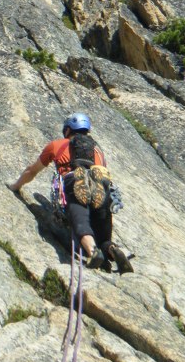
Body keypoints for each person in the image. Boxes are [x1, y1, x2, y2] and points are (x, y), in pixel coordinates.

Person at [8, 111, 133, 273]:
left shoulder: (57, 145)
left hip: (76, 180)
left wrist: (16, 186)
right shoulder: (98, 151)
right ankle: (112, 249)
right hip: (102, 184)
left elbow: (32, 171)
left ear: (68, 130)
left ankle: (93, 252)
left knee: (79, 220)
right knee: (102, 235)